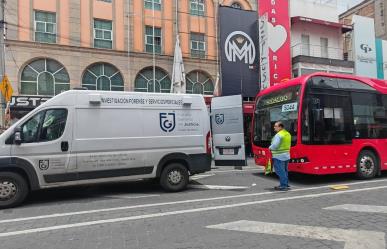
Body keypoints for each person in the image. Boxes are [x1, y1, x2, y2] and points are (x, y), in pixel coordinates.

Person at [269, 121, 291, 191]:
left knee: (280, 171)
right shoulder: (287, 134)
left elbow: (275, 145)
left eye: (276, 126)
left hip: (279, 156)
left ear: (280, 127)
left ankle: (283, 186)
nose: (274, 127)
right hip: (286, 156)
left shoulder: (278, 135)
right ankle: (286, 184)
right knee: (285, 171)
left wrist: (270, 148)